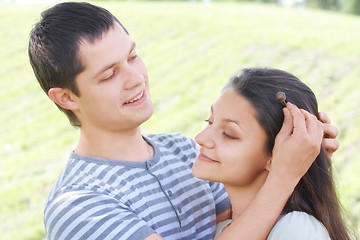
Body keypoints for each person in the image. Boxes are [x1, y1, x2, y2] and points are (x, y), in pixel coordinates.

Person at [28, 2, 339, 239]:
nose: (136, 79)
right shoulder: (79, 204)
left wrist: (301, 152)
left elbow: (252, 223)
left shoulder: (185, 152)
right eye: (109, 74)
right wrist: (284, 174)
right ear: (66, 98)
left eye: (133, 57)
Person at [192, 67, 350, 240]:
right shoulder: (218, 230)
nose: (200, 138)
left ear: (278, 155)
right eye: (210, 121)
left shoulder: (295, 229)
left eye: (229, 135)